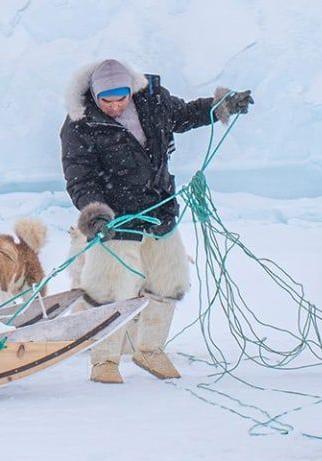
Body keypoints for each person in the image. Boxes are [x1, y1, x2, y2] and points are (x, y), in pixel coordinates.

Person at [60, 58, 253, 383]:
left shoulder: (153, 101)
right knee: (108, 288)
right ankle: (104, 360)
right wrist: (94, 214)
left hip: (158, 210)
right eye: (106, 100)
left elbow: (186, 114)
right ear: (94, 96)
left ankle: (149, 350)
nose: (113, 106)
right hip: (114, 220)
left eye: (120, 98)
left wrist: (221, 105)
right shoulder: (80, 125)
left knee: (169, 279)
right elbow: (80, 179)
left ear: (130, 92)